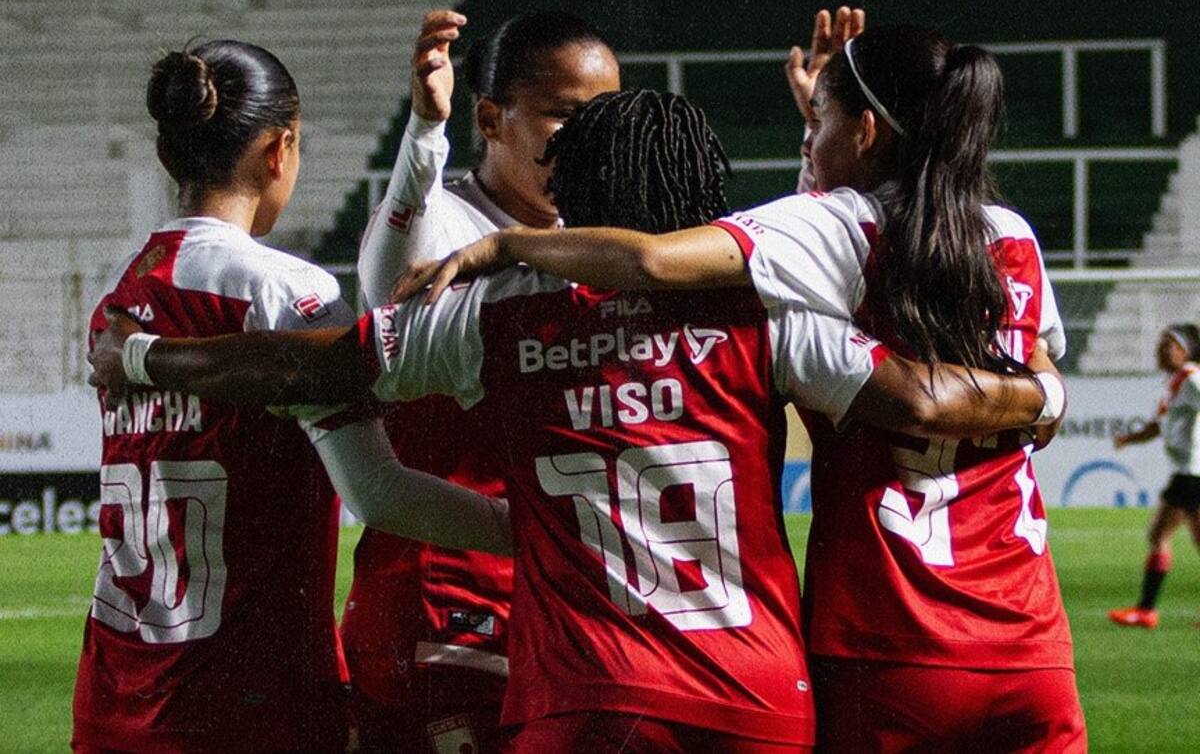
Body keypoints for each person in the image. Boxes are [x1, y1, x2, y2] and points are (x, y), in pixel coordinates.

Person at [90, 89, 1065, 753]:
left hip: (581, 703)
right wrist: (1039, 393)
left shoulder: (500, 312)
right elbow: (914, 396)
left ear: (571, 200)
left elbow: (324, 362)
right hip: (754, 701)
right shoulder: (764, 316)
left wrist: (149, 360)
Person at [401, 19, 1087, 752]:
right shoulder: (1010, 236)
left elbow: (660, 262)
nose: (806, 140)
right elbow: (1037, 385)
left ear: (862, 132)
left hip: (890, 636)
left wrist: (508, 244)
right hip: (1031, 641)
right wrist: (1047, 397)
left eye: (818, 123)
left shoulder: (834, 225)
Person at [72, 40, 508, 754]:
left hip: (113, 699)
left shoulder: (121, 295)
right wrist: (526, 528)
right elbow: (378, 492)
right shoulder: (282, 291)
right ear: (280, 150)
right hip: (248, 702)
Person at [346, 9, 621, 751]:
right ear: (493, 118)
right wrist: (423, 135)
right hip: (442, 589)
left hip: (555, 592)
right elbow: (380, 293)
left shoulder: (599, 239)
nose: (590, 137)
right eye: (567, 115)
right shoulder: (446, 224)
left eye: (606, 116)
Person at [1109, 324, 1200, 629]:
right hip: (1186, 474)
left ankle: (1146, 611)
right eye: (1161, 343)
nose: (1162, 349)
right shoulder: (1175, 383)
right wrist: (1130, 439)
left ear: (1185, 351)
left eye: (1169, 344)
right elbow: (1158, 427)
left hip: (1193, 474)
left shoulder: (1192, 378)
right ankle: (1145, 610)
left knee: (1160, 535)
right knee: (1159, 535)